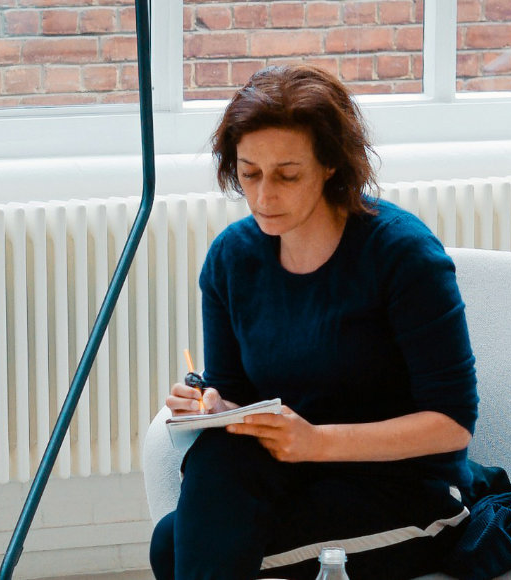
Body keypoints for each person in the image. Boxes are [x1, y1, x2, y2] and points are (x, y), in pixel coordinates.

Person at [149, 65, 479, 580]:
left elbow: (454, 423)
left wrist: (318, 442)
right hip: (295, 473)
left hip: (404, 490)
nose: (263, 197)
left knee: (177, 551)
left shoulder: (402, 254)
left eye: (287, 175)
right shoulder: (232, 259)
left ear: (330, 165)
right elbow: (235, 394)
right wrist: (210, 405)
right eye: (250, 173)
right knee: (206, 476)